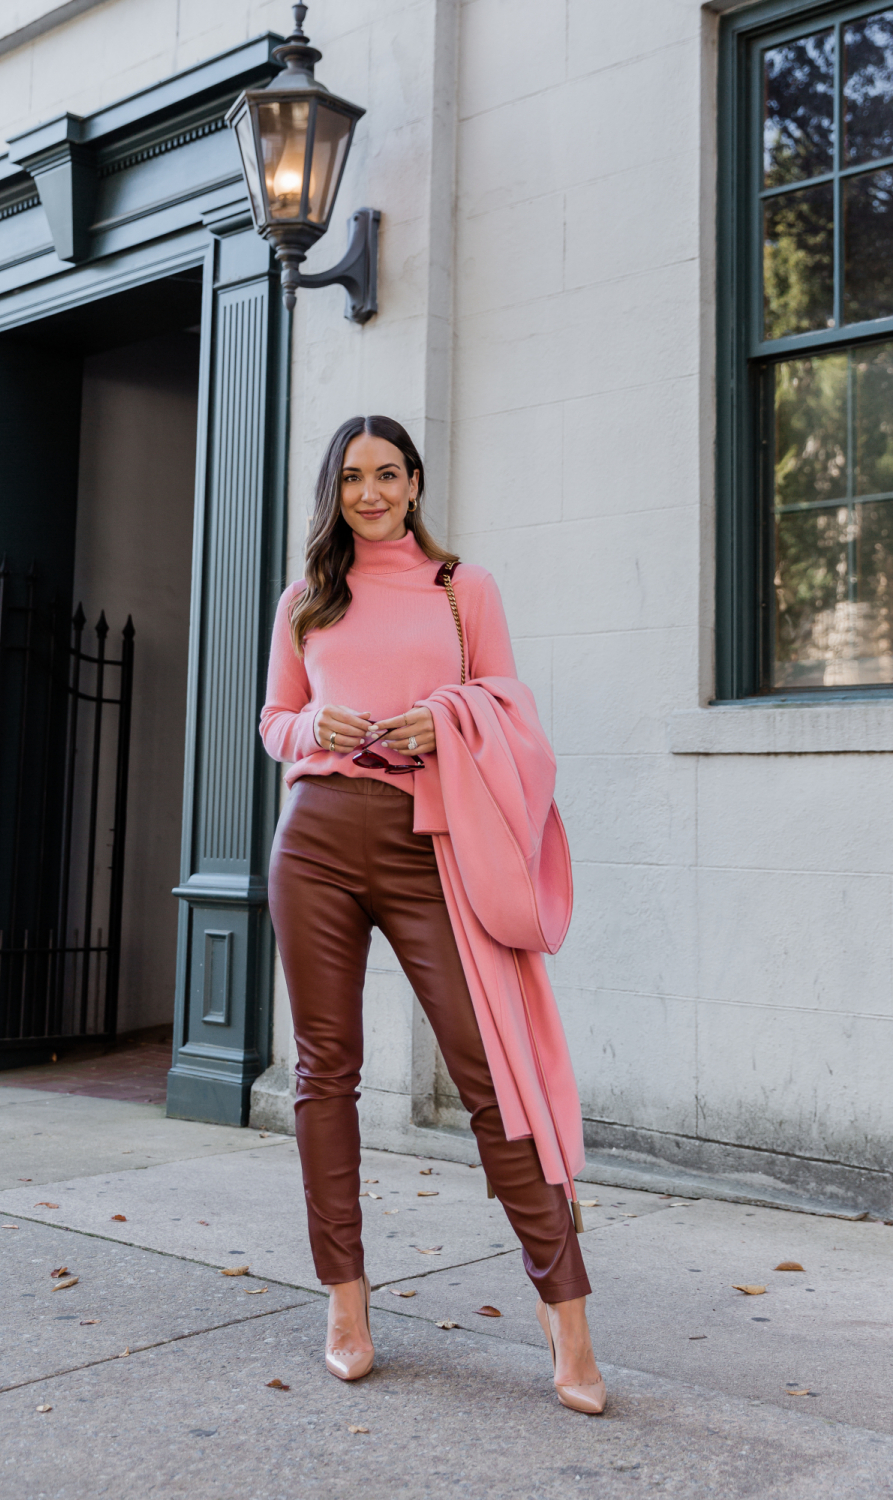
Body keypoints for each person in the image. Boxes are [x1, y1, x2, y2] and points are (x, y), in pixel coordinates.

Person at [259, 414, 605, 1413]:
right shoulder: (306, 601)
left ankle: (566, 1311)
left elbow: (511, 704)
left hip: (428, 844)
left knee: (490, 1070)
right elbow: (272, 720)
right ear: (335, 491)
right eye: (352, 478)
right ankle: (345, 1300)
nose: (370, 493)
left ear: (414, 483)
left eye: (388, 475)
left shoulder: (465, 590)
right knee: (327, 1074)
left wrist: (445, 718)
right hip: (315, 838)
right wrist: (303, 728)